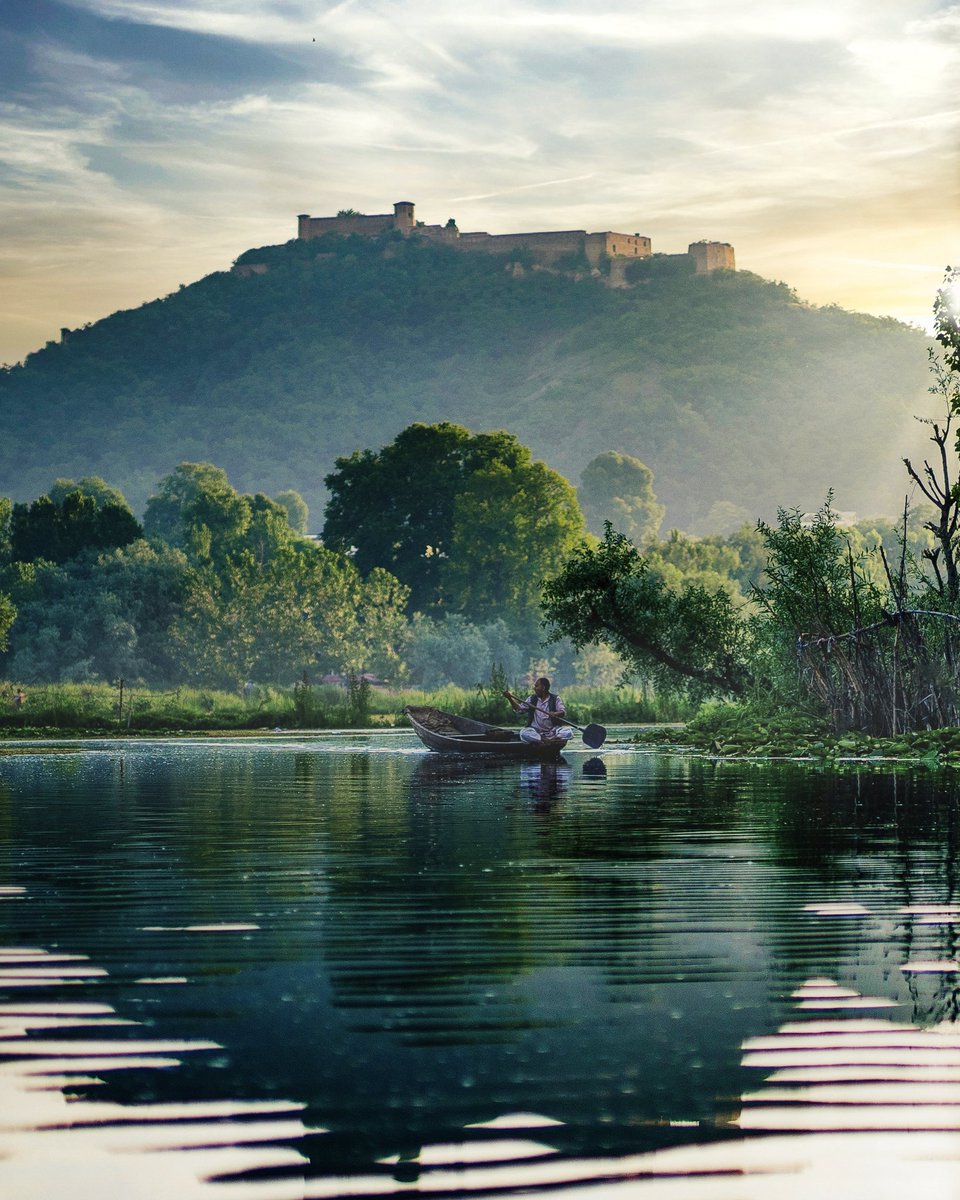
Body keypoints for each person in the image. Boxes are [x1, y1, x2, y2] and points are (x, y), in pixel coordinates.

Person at [503, 677, 573, 745]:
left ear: (543, 688)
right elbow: (519, 709)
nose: (534, 688)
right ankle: (545, 740)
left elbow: (563, 712)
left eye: (536, 686)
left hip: (553, 732)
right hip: (536, 732)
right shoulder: (532, 699)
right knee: (523, 733)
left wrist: (555, 713)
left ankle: (554, 739)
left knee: (568, 732)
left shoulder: (555, 699)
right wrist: (510, 698)